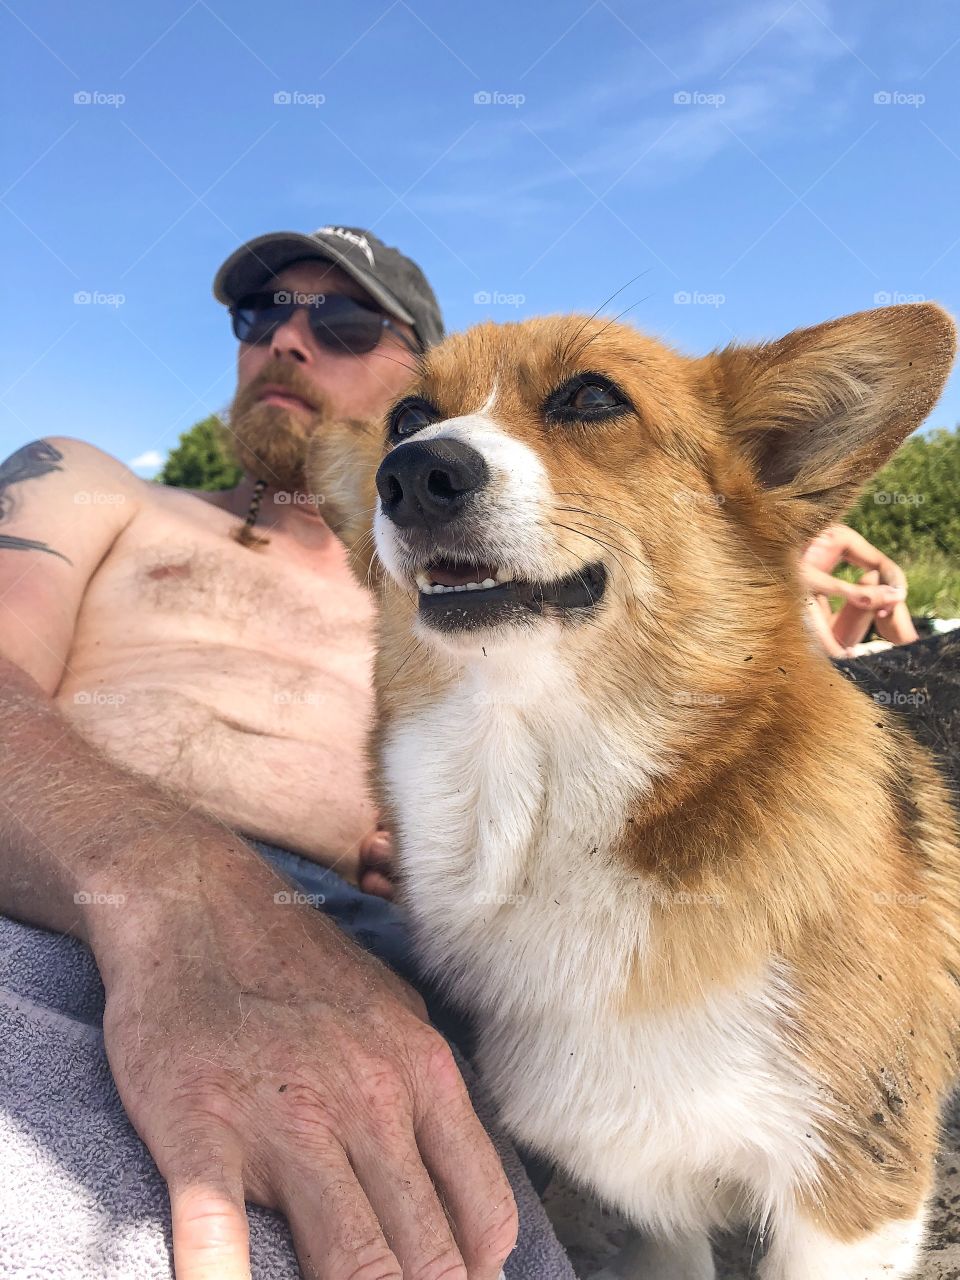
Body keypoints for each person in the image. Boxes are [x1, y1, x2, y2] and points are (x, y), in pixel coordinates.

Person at [0, 226, 537, 1279]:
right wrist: (173, 882)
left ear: (423, 375)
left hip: (380, 973)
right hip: (55, 881)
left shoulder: (455, 598)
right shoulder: (101, 486)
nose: (286, 340)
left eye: (341, 320)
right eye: (261, 314)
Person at [799, 522, 920, 659]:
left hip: (830, 633)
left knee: (875, 581)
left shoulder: (836, 535)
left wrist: (897, 591)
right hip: (798, 639)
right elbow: (788, 572)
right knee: (801, 594)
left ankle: (916, 651)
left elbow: (884, 564)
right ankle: (838, 661)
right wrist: (852, 592)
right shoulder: (779, 535)